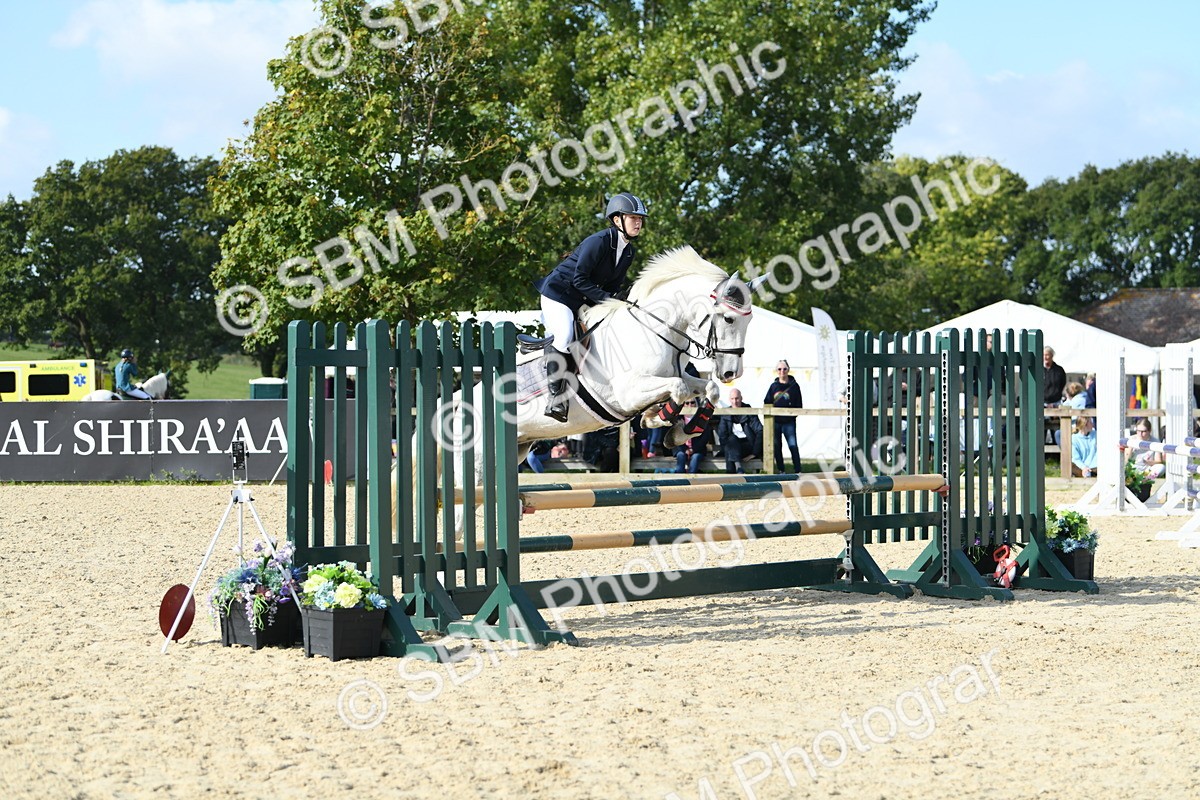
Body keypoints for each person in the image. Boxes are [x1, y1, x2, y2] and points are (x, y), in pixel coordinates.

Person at [532, 192, 648, 421]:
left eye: (640, 219)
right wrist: (609, 299)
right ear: (617, 220)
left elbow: (613, 287)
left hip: (583, 299)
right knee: (565, 335)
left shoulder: (628, 252)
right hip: (559, 294)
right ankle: (556, 398)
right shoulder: (600, 241)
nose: (638, 222)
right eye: (633, 217)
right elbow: (579, 280)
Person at [764, 360, 803, 473]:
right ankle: (781, 470)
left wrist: (791, 416)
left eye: (784, 369)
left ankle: (798, 470)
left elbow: (799, 404)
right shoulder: (773, 386)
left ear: (788, 370)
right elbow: (767, 402)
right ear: (776, 371)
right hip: (775, 421)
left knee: (793, 445)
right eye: (779, 369)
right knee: (777, 446)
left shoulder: (794, 386)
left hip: (789, 422)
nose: (782, 371)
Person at [716, 388, 762, 473]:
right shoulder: (726, 414)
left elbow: (760, 431)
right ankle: (738, 467)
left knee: (730, 449)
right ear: (729, 400)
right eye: (732, 399)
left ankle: (731, 477)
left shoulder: (749, 412)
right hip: (731, 445)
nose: (735, 401)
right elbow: (722, 435)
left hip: (747, 446)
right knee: (732, 439)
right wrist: (726, 448)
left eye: (737, 398)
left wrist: (754, 453)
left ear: (741, 398)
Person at [672, 406, 714, 474]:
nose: (689, 405)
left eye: (692, 403)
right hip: (681, 449)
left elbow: (705, 438)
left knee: (695, 457)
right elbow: (675, 438)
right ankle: (679, 479)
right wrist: (685, 449)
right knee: (680, 455)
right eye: (687, 403)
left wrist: (693, 449)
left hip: (697, 450)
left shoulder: (702, 419)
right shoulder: (677, 420)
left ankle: (692, 479)